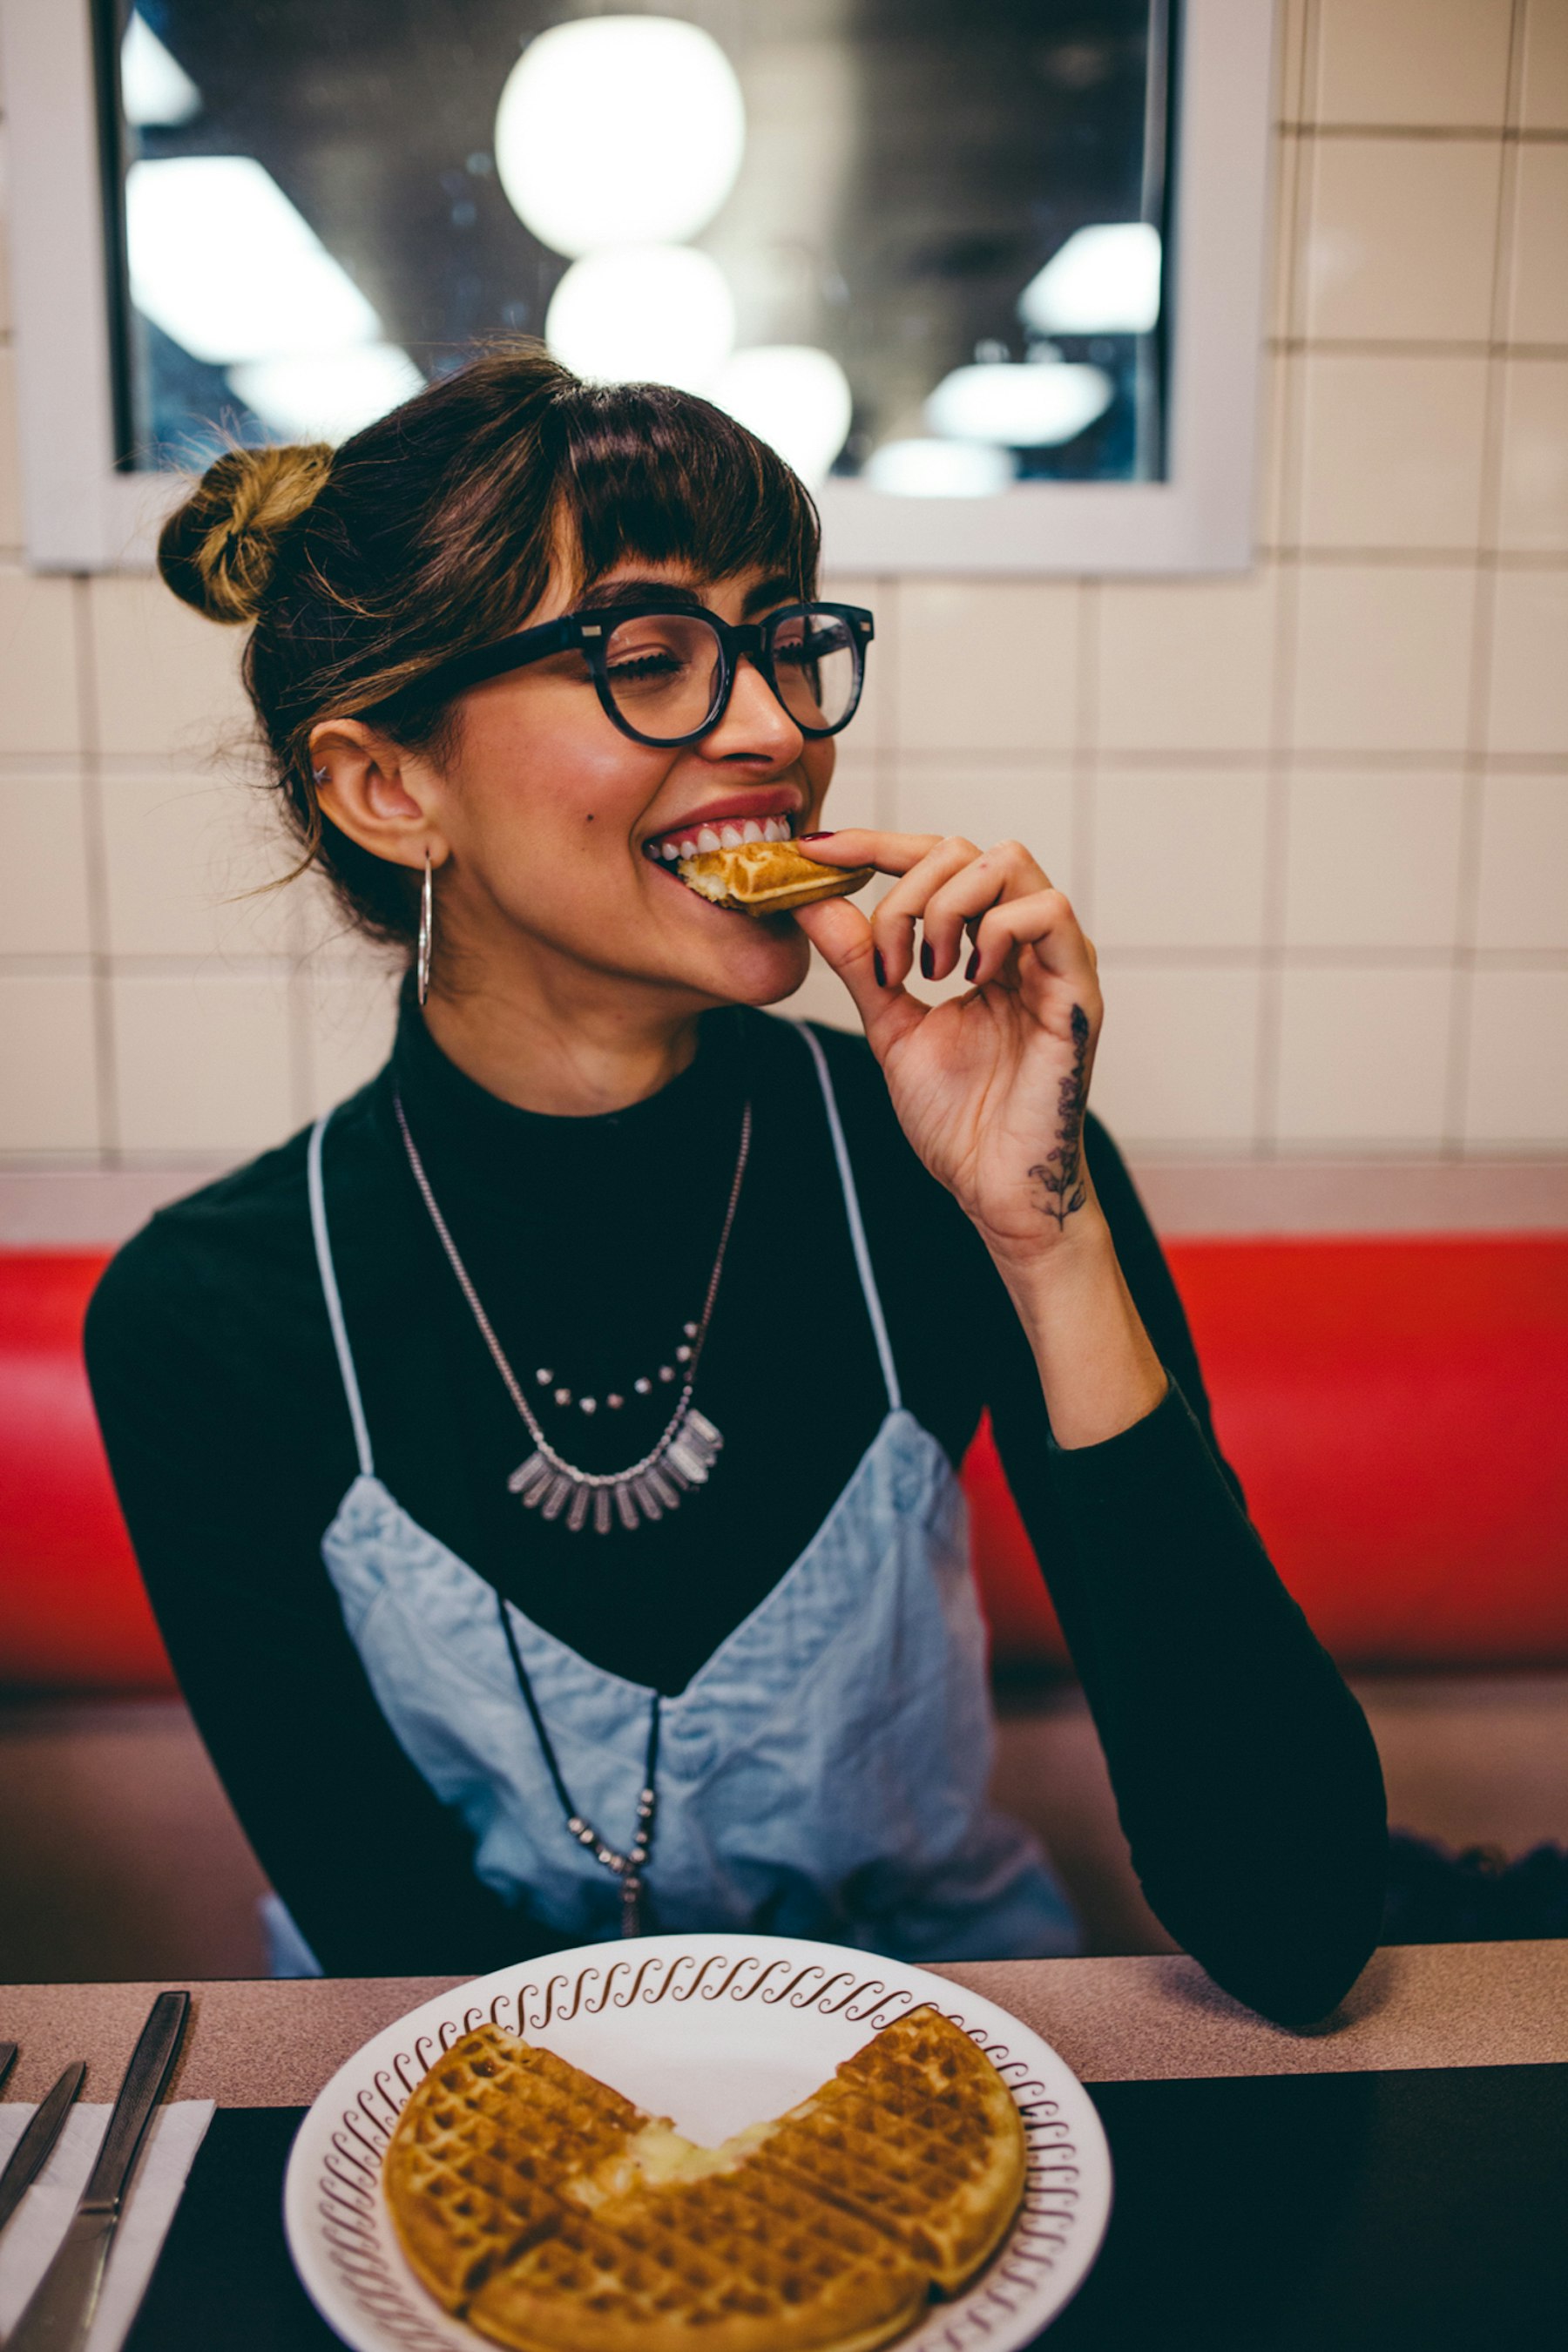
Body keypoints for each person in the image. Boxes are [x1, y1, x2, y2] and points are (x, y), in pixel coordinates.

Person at [86, 350, 1385, 2024]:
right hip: (467, 2129)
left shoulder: (971, 1168)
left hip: (962, 2081)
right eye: (648, 658)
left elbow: (1295, 1923)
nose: (775, 727)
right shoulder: (213, 1318)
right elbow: (381, 1922)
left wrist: (1045, 1239)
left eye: (785, 641)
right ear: (390, 787)